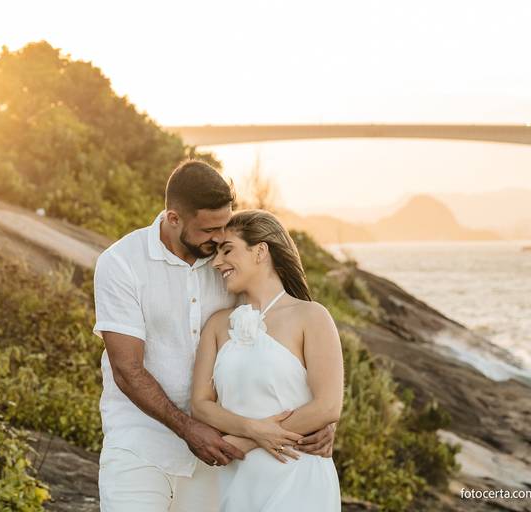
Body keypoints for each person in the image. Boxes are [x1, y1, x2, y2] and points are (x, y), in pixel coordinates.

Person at [93, 160, 336, 512]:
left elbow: (287, 345)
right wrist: (190, 428)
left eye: (225, 227)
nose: (220, 238)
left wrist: (320, 421)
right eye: (210, 229)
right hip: (141, 446)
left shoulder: (226, 264)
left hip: (219, 455)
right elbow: (127, 369)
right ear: (174, 219)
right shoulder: (121, 263)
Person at [190, 209, 343, 511]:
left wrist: (246, 443)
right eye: (216, 253)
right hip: (234, 480)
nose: (217, 262)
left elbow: (327, 406)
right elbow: (200, 404)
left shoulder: (311, 316)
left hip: (297, 478)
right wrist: (252, 429)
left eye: (228, 250)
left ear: (260, 251)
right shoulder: (218, 325)